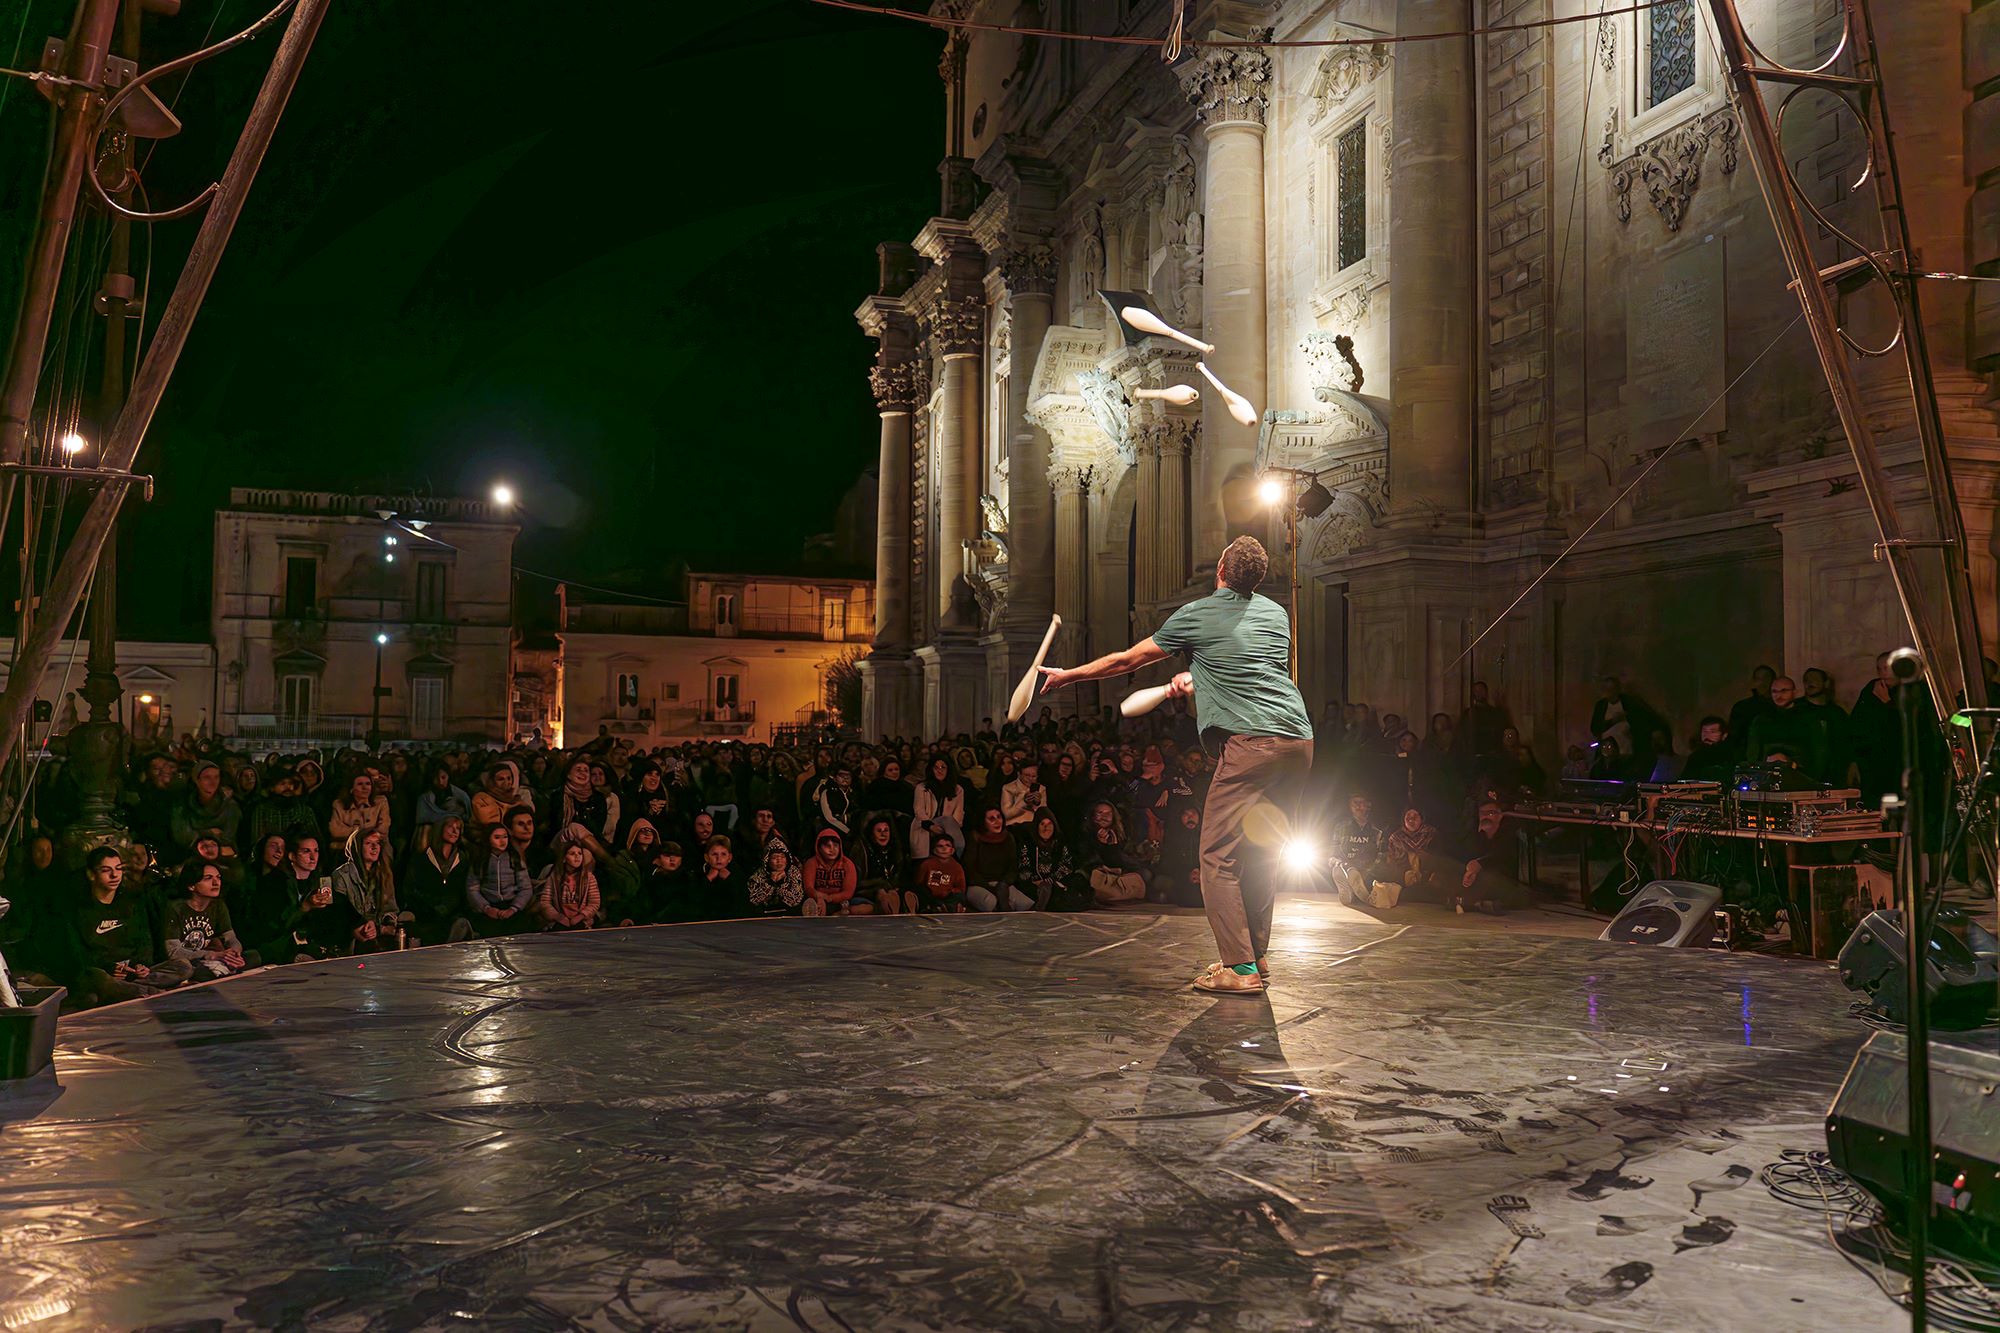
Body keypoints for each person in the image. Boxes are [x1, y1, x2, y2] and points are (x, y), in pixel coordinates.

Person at [1040, 535, 1312, 993]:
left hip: (1251, 745)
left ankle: (1240, 969)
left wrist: (1069, 676)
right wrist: (1199, 677)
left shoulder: (1197, 613)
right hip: (1298, 741)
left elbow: (1127, 660)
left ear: (1221, 568)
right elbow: (1250, 668)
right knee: (1263, 850)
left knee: (1217, 856)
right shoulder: (1276, 614)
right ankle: (1257, 956)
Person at [71, 846, 191, 1005]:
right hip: (105, 972)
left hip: (131, 971)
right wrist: (110, 967)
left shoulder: (130, 904)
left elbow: (144, 940)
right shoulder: (80, 910)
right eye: (106, 870)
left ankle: (127, 991)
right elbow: (78, 954)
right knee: (97, 978)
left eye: (118, 869)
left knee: (183, 966)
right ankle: (154, 993)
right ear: (91, 874)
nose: (114, 875)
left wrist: (140, 965)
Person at [163, 860, 252, 978]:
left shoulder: (218, 905)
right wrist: (211, 955)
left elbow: (230, 937)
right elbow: (173, 952)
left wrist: (234, 953)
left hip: (208, 959)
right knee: (185, 967)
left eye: (218, 877)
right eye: (208, 878)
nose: (216, 882)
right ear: (191, 886)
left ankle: (218, 970)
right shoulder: (175, 908)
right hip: (188, 961)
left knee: (252, 956)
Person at [1746, 675, 1831, 781]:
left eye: (1784, 691)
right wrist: (1764, 762)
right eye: (1774, 691)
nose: (1779, 695)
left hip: (1802, 775)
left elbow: (1819, 752)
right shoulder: (1761, 720)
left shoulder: (1808, 718)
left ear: (1794, 692)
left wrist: (1794, 763)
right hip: (1767, 775)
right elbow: (1753, 752)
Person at [332, 828, 403, 951]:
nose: (374, 847)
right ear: (357, 847)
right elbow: (340, 914)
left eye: (377, 843)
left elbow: (390, 909)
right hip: (353, 940)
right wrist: (362, 927)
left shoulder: (384, 874)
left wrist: (387, 924)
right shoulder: (341, 875)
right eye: (368, 843)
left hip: (380, 937)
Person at [404, 818, 469, 941]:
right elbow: (410, 889)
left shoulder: (463, 860)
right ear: (440, 829)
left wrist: (448, 908)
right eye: (450, 827)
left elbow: (463, 893)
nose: (455, 831)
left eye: (458, 828)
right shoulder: (421, 858)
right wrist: (431, 908)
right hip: (425, 915)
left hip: (452, 915)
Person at [464, 823, 534, 936]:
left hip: (511, 905)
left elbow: (526, 888)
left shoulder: (514, 859)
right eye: (497, 837)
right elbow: (472, 889)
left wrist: (513, 909)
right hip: (489, 906)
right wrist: (486, 908)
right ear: (488, 839)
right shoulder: (480, 860)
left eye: (505, 837)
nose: (502, 841)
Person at [1017, 808, 1090, 910]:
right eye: (1042, 824)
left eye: (1049, 824)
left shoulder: (1059, 843)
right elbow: (1024, 867)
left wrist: (1051, 880)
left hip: (1055, 882)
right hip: (1034, 884)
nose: (1046, 828)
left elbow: (1067, 865)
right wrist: (1035, 880)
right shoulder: (1029, 844)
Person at [962, 806, 1031, 911]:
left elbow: (1013, 867)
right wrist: (990, 887)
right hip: (978, 885)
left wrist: (1004, 883)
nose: (997, 822)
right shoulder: (975, 837)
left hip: (1001, 884)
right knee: (991, 902)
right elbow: (969, 870)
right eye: (992, 819)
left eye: (999, 817)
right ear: (983, 822)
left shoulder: (1008, 837)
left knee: (1025, 904)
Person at [854, 814, 913, 914]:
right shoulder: (862, 850)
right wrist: (881, 884)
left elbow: (899, 877)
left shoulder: (895, 851)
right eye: (879, 831)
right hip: (868, 891)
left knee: (906, 893)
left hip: (892, 890)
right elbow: (857, 883)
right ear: (872, 834)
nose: (883, 834)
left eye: (886, 830)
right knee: (882, 894)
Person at [535, 841, 601, 930]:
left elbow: (594, 902)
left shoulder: (589, 878)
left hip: (582, 922)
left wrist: (580, 916)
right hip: (559, 921)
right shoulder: (554, 877)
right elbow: (545, 901)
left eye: (580, 853)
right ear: (564, 858)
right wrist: (558, 917)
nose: (577, 856)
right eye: (572, 853)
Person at [911, 755, 966, 860]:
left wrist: (948, 828)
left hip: (949, 827)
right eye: (936, 767)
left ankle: (956, 858)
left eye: (943, 767)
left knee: (948, 820)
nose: (939, 771)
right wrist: (931, 826)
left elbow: (958, 814)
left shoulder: (958, 790)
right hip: (925, 824)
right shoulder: (922, 788)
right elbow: (919, 810)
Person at [803, 828, 863, 915]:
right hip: (817, 900)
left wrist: (829, 898)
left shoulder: (847, 864)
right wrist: (818, 897)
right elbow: (809, 888)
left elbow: (848, 893)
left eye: (835, 845)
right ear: (819, 848)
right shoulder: (811, 863)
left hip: (841, 901)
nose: (832, 849)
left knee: (862, 907)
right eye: (827, 846)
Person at [745, 842, 804, 917]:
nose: (779, 861)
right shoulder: (758, 875)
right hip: (765, 914)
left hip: (788, 913)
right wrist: (772, 881)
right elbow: (754, 900)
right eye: (774, 857)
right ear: (767, 860)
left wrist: (781, 882)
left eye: (782, 857)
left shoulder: (793, 872)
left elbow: (795, 900)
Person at [914, 831, 968, 912]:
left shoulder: (957, 867)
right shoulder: (926, 864)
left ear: (952, 850)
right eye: (940, 846)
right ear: (934, 850)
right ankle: (936, 907)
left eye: (947, 845)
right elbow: (918, 882)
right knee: (921, 892)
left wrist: (949, 891)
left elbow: (961, 888)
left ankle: (948, 907)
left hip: (947, 896)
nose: (944, 848)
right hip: (931, 896)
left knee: (959, 896)